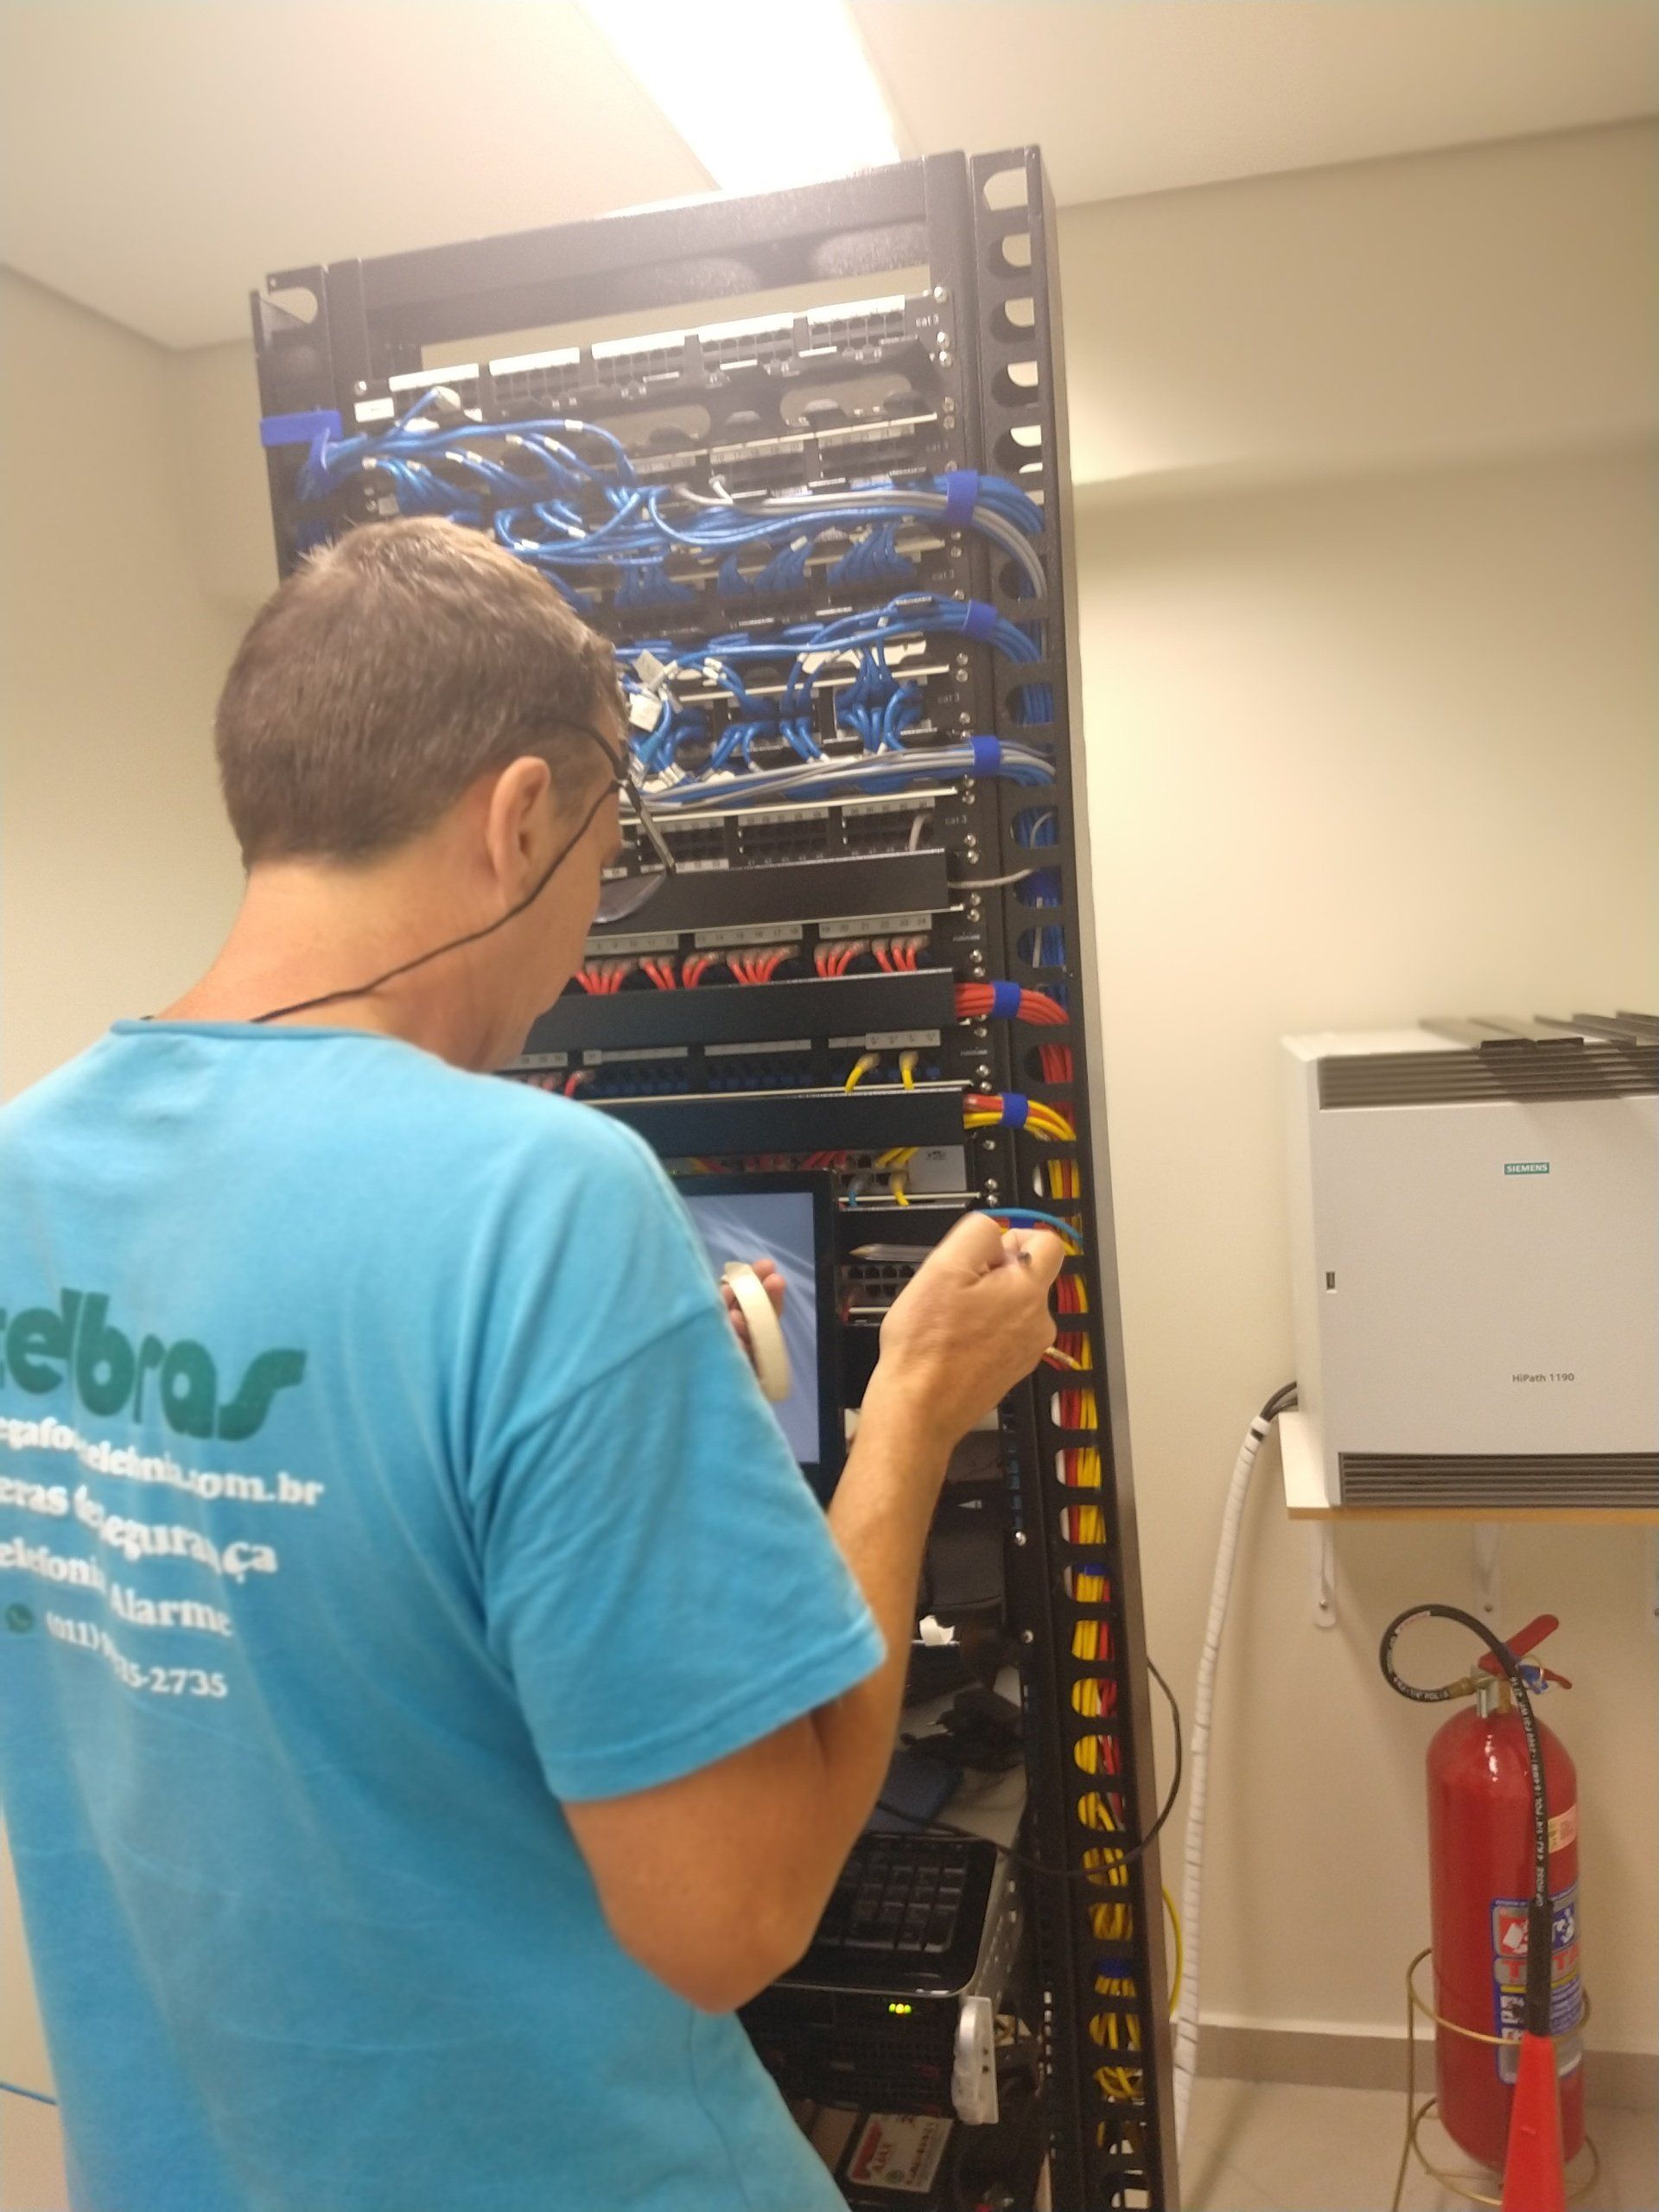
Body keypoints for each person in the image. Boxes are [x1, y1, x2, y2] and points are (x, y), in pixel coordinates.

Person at [0, 517, 1064, 2212]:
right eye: (603, 859)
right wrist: (919, 1407)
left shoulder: (23, 1169)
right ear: (518, 817)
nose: (582, 934)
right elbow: (734, 1916)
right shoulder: (539, 1197)